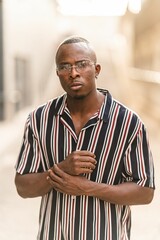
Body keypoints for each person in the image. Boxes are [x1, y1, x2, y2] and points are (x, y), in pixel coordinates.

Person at [15, 36, 155, 240]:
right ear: (57, 73)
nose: (73, 73)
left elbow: (145, 192)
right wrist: (61, 169)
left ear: (97, 70)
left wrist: (88, 188)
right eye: (65, 66)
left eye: (82, 64)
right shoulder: (39, 119)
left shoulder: (128, 123)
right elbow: (22, 186)